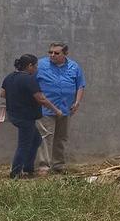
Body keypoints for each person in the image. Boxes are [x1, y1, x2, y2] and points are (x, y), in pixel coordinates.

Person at [0, 54, 64, 178]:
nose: (36, 69)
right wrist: (56, 110)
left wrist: (17, 96)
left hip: (14, 115)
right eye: (35, 66)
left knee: (36, 140)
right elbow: (41, 99)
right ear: (29, 66)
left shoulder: (9, 77)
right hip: (26, 117)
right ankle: (16, 173)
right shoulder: (29, 79)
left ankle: (28, 168)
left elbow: (2, 93)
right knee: (24, 145)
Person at [35, 42, 86, 173]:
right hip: (46, 108)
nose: (52, 55)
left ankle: (58, 165)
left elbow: (80, 85)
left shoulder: (74, 67)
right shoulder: (40, 65)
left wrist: (77, 102)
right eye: (50, 52)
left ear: (65, 54)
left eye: (56, 53)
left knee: (61, 138)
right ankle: (43, 166)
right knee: (45, 137)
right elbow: (31, 82)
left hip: (65, 108)